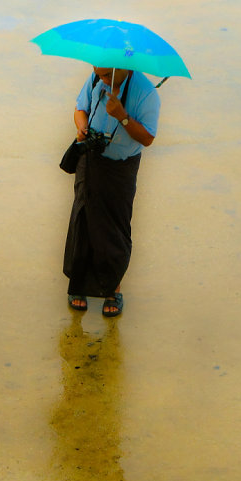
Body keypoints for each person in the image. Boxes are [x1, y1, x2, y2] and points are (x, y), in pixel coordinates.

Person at [63, 66, 160, 317]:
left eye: (107, 75)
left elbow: (148, 138)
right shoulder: (96, 78)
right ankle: (78, 284)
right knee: (83, 216)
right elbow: (80, 108)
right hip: (90, 157)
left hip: (120, 167)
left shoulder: (147, 93)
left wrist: (123, 117)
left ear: (124, 68)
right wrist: (82, 127)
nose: (103, 79)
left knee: (114, 225)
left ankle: (113, 289)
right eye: (100, 74)